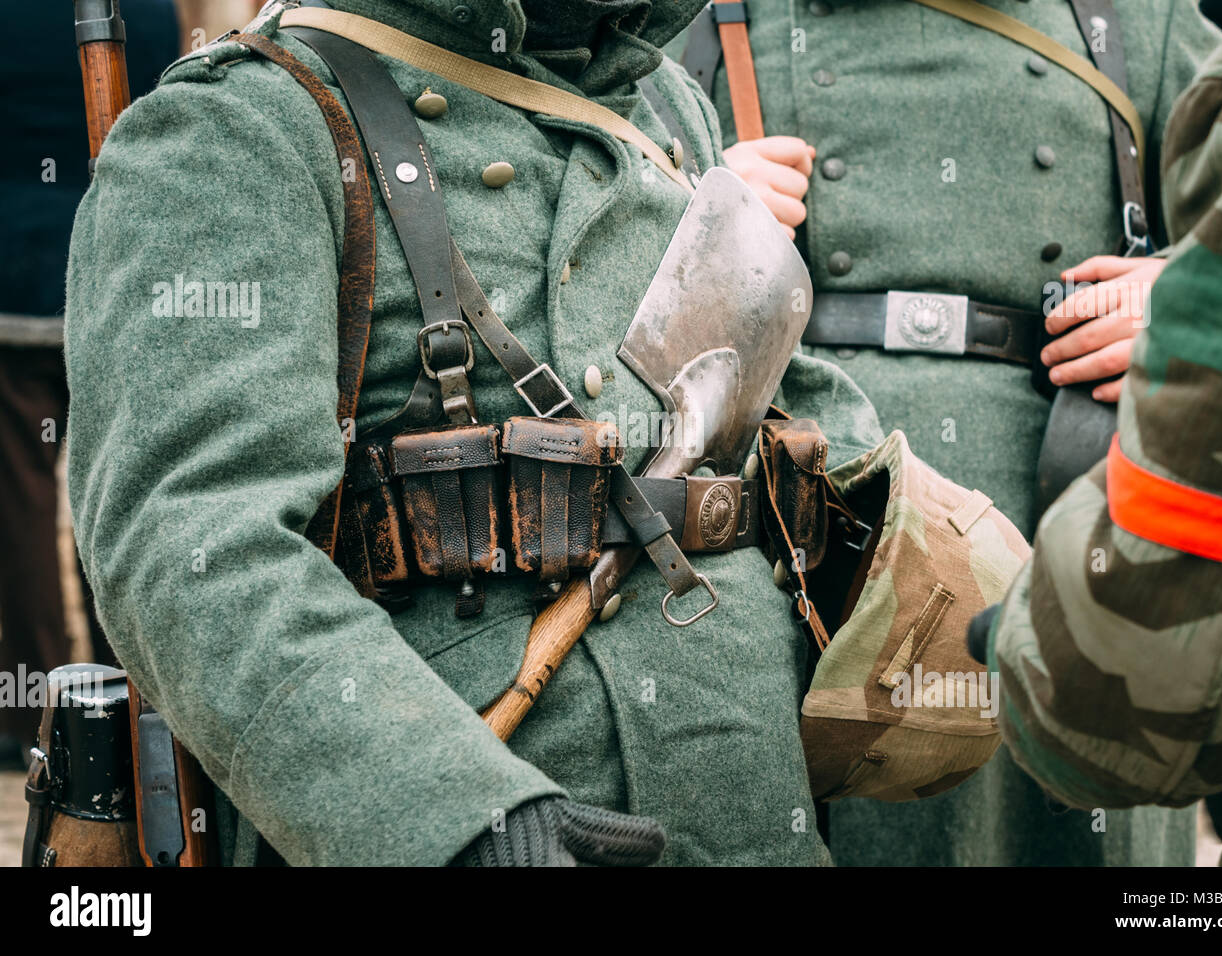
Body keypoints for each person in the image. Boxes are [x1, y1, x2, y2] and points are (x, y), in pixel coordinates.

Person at [63, 0, 893, 865]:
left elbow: (783, 416)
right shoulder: (240, 127)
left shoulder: (663, 104)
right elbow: (198, 550)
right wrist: (450, 816)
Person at [670, 0, 1222, 865]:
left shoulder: (1129, 19)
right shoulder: (701, 20)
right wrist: (692, 199)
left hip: (1076, 503)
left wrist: (1197, 297)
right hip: (822, 527)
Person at [986, 0, 1222, 867]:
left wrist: (1178, 295)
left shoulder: (1129, 18)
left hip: (1093, 504)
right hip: (840, 530)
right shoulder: (731, 27)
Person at [0, 0, 179, 771]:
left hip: (14, 272)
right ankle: (130, 692)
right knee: (112, 491)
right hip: (110, 276)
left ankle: (34, 715)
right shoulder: (144, 7)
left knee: (21, 505)